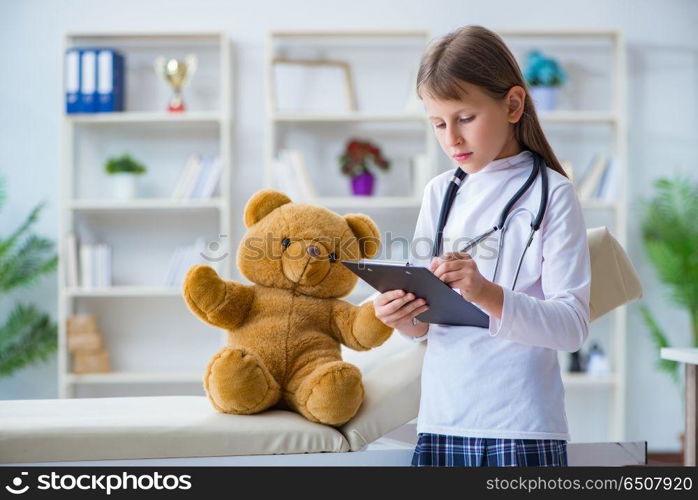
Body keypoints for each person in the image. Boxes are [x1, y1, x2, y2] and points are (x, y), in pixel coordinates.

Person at [373, 25, 591, 467]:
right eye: (438, 123)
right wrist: (400, 317)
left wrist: (485, 293)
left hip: (521, 428)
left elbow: (572, 328)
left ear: (513, 105)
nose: (451, 138)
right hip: (441, 422)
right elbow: (426, 327)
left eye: (465, 118)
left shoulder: (553, 194)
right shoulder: (440, 192)